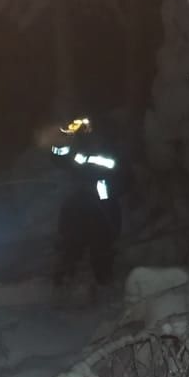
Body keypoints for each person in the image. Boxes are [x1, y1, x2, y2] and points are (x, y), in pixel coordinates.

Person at [47, 117, 124, 287]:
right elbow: (58, 158)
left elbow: (114, 169)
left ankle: (105, 283)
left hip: (101, 207)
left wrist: (89, 173)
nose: (84, 128)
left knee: (101, 246)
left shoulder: (107, 147)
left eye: (87, 125)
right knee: (71, 245)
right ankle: (64, 283)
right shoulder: (76, 150)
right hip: (78, 206)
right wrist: (64, 136)